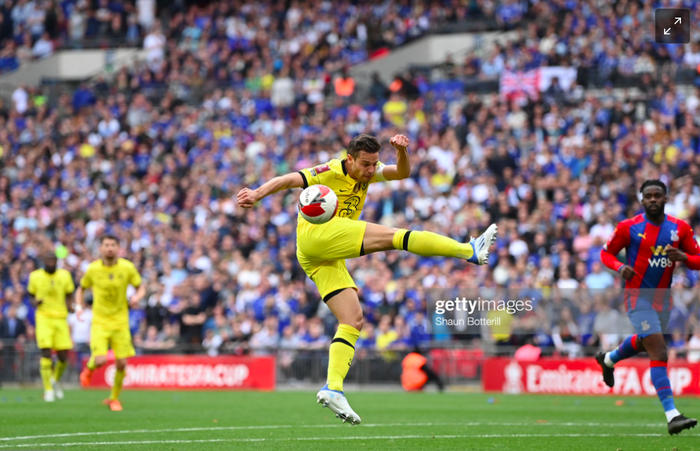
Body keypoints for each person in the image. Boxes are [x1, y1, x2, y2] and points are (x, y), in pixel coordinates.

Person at [238, 133, 497, 425]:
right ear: (349, 159)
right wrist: (257, 194)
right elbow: (288, 180)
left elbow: (402, 172)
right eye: (365, 164)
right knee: (395, 236)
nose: (371, 170)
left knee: (352, 319)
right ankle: (469, 250)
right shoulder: (330, 171)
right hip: (317, 235)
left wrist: (401, 151)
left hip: (315, 256)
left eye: (374, 164)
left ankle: (333, 388)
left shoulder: (368, 174)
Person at [598, 180, 698, 435]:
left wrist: (686, 258)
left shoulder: (680, 229)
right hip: (637, 297)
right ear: (642, 200)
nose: (653, 199)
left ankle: (608, 359)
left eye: (658, 196)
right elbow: (605, 253)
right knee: (659, 352)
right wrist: (620, 267)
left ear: (665, 199)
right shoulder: (628, 227)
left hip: (664, 300)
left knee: (647, 341)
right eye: (648, 196)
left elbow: (698, 260)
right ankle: (672, 415)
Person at [76, 235, 146, 411]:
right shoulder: (92, 269)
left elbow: (141, 286)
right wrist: (78, 307)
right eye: (106, 245)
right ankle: (89, 369)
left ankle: (114, 398)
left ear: (118, 248)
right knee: (100, 360)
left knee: (122, 364)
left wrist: (137, 296)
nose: (109, 248)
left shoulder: (127, 267)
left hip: (121, 322)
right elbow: (81, 288)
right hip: (100, 321)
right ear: (100, 248)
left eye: (113, 245)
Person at [27, 252, 75, 402]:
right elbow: (30, 295)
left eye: (53, 260)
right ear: (44, 261)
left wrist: (70, 306)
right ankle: (48, 389)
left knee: (63, 357)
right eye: (48, 260)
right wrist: (35, 302)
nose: (51, 262)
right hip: (44, 318)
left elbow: (69, 294)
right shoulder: (35, 276)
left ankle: (54, 379)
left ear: (56, 261)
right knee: (46, 352)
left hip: (61, 318)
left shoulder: (65, 275)